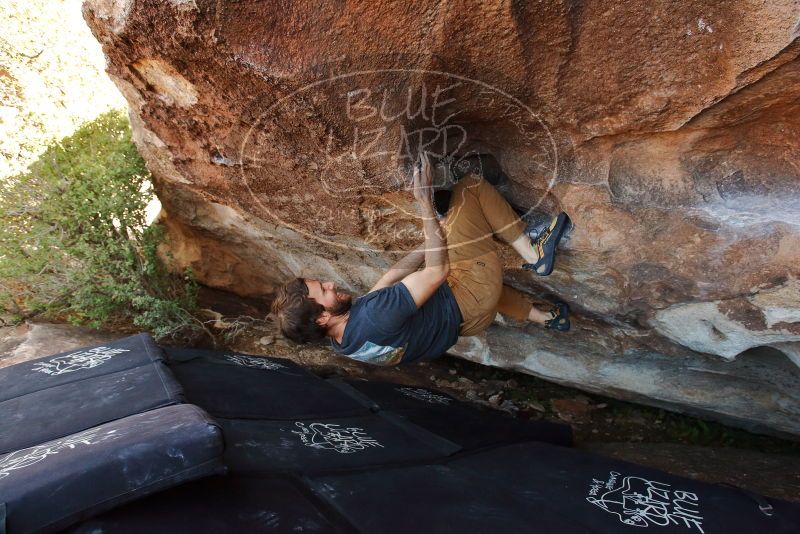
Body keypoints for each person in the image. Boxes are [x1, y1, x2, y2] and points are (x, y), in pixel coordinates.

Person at [270, 153, 570, 366]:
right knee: (470, 188)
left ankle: (547, 318)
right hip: (471, 296)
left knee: (463, 282)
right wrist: (425, 201)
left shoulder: (345, 342)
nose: (330, 284)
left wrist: (433, 239)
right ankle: (535, 254)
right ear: (321, 318)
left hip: (468, 322)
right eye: (323, 290)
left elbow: (389, 279)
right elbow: (437, 272)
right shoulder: (375, 315)